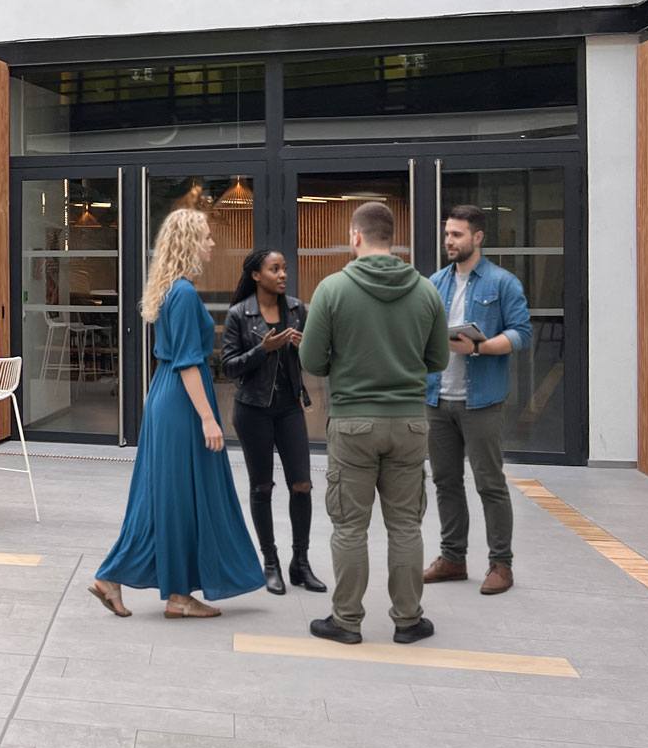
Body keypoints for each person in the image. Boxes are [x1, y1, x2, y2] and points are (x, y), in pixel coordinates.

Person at [87, 208, 265, 619]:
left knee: (167, 497)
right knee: (180, 497)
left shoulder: (171, 289)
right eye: (206, 237)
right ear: (188, 243)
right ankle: (176, 595)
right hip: (181, 402)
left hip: (168, 397)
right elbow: (187, 363)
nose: (212, 243)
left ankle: (140, 585)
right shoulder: (182, 293)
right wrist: (208, 418)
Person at [299, 201, 449, 646]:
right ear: (392, 238)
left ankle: (346, 621)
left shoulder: (332, 289)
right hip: (409, 423)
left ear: (356, 237)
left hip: (353, 423)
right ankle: (408, 620)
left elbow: (312, 361)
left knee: (350, 527)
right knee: (405, 526)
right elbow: (438, 359)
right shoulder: (425, 290)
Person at [422, 205, 534, 596]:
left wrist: (478, 348)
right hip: (437, 398)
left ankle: (501, 564)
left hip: (481, 401)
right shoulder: (435, 283)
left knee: (489, 483)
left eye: (457, 235)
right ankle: (453, 558)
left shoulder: (502, 283)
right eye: (447, 234)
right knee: (445, 482)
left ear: (478, 237)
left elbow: (521, 334)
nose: (449, 241)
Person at [221, 249, 326, 596]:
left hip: (289, 408)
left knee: (302, 484)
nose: (282, 274)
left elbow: (314, 359)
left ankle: (301, 563)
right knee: (261, 487)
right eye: (274, 269)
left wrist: (303, 346)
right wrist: (262, 350)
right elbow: (228, 367)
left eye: (284, 269)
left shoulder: (296, 309)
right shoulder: (239, 314)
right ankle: (270, 563)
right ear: (256, 275)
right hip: (253, 410)